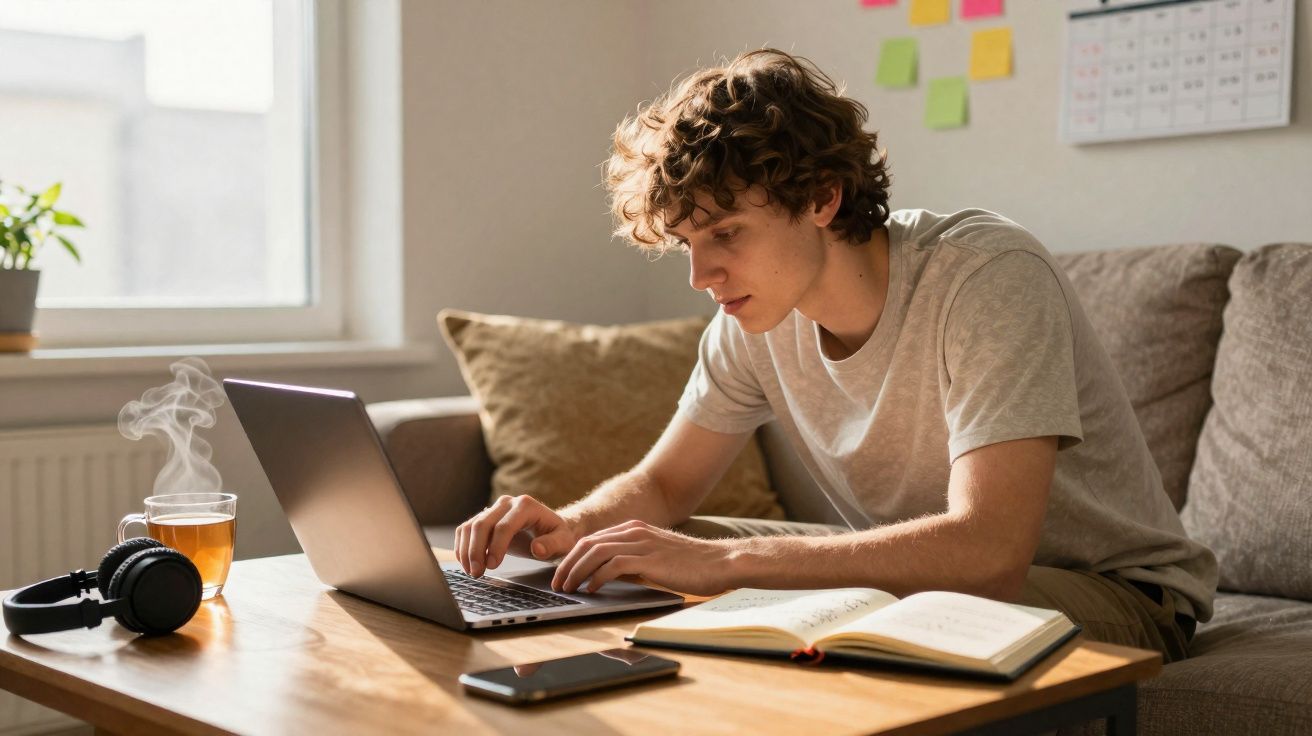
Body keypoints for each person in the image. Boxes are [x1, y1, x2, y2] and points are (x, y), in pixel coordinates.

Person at [455, 48, 1215, 663]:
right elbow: (663, 485)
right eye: (687, 244)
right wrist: (570, 526)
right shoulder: (750, 321)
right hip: (936, 573)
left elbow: (987, 553)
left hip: (1117, 590)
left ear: (821, 198)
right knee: (642, 555)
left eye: (725, 233)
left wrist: (720, 568)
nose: (701, 276)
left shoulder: (986, 277)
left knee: (726, 566)